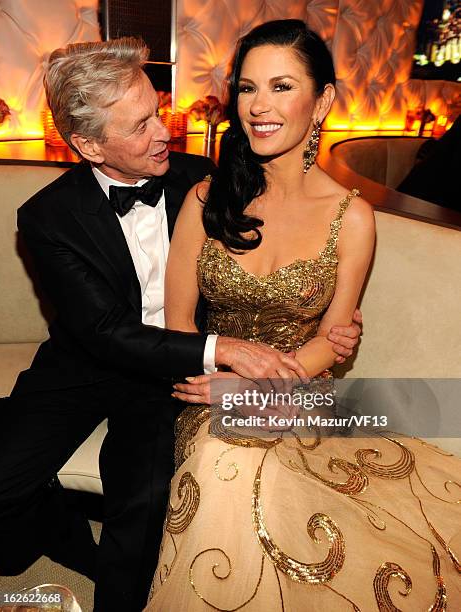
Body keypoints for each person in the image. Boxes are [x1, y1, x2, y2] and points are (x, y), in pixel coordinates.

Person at [0, 38, 360, 612]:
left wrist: (324, 319)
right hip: (87, 364)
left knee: (142, 500)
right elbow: (104, 333)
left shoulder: (199, 178)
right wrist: (227, 350)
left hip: (177, 369)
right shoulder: (47, 217)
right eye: (140, 126)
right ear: (89, 144)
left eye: (157, 112)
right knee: (1, 488)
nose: (163, 132)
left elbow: (278, 243)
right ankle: (65, 543)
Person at [146, 20, 461, 611]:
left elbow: (332, 338)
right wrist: (220, 383)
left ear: (323, 102)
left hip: (302, 390)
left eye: (281, 87)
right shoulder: (205, 200)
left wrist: (257, 389)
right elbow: (178, 325)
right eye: (246, 88)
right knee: (229, 458)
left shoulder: (353, 216)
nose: (258, 107)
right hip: (203, 387)